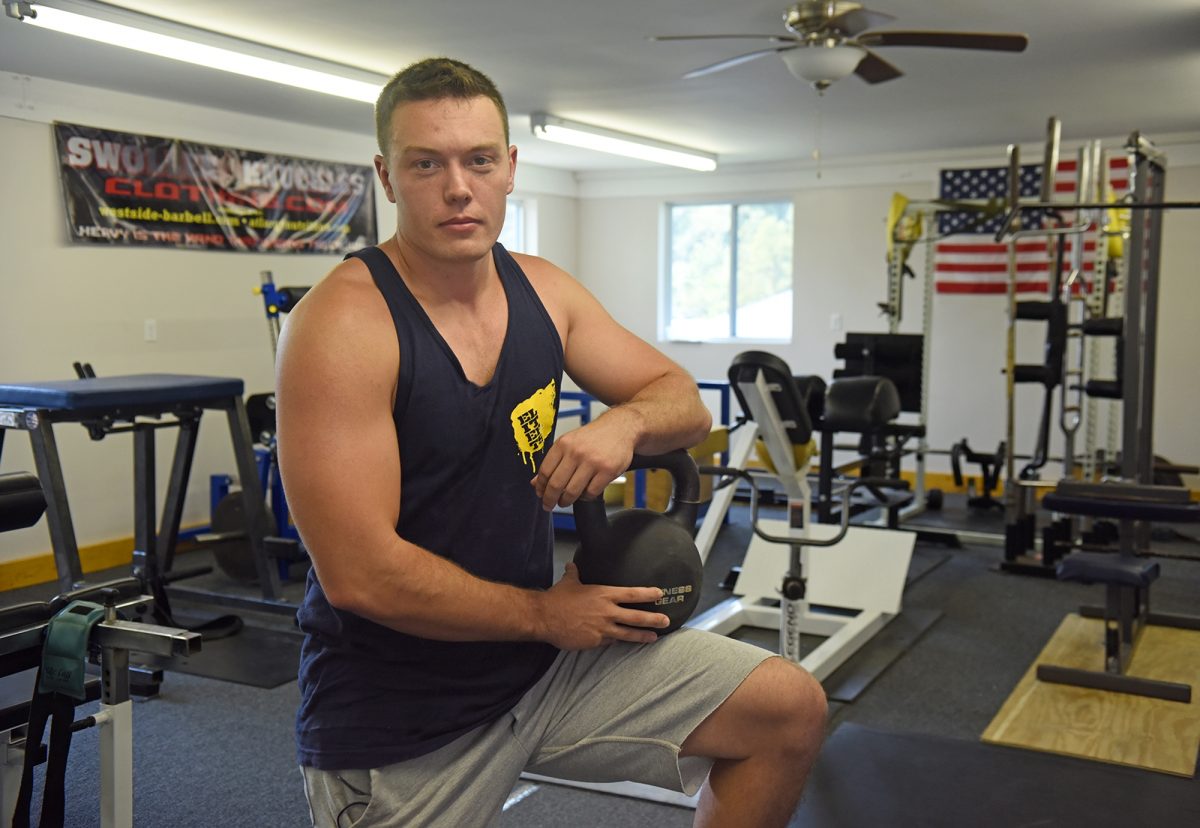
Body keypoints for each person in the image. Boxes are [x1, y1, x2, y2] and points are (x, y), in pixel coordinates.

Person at [275, 56, 827, 828]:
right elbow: (361, 577)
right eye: (426, 163)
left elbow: (682, 401)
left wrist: (622, 424)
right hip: (403, 715)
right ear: (386, 177)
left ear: (510, 168)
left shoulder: (544, 290)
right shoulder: (342, 325)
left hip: (542, 671)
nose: (458, 187)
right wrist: (545, 616)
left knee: (787, 709)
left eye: (479, 160)